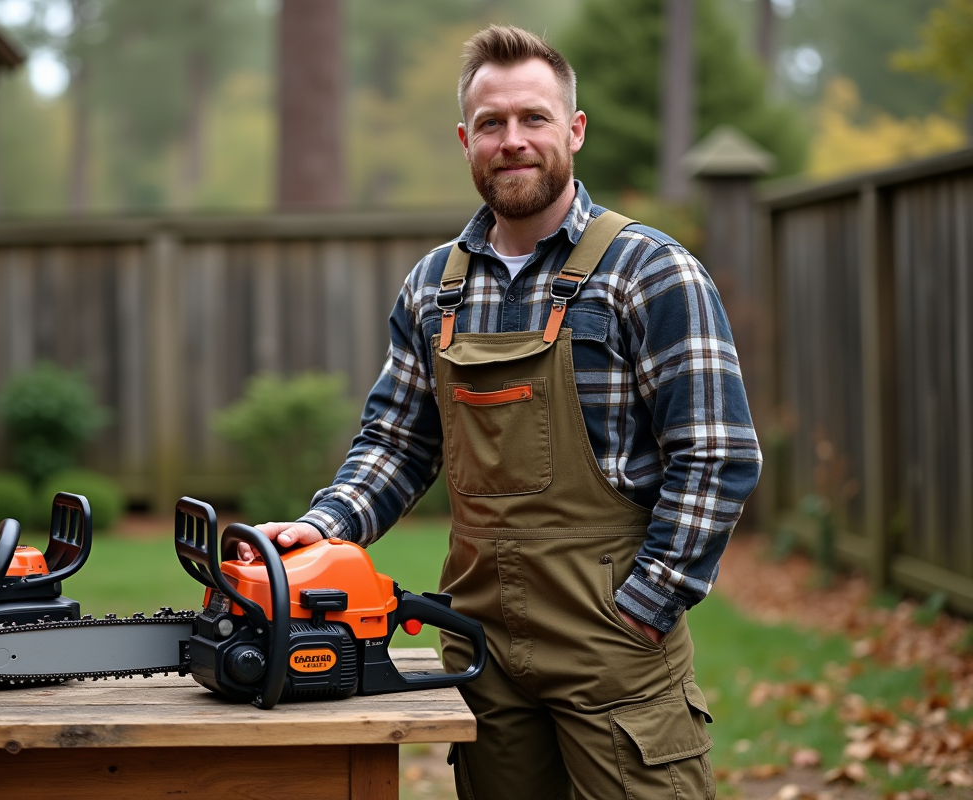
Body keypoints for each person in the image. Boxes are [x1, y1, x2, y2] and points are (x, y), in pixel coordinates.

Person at [244, 25, 761, 799]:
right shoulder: (434, 287)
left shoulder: (650, 272)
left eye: (534, 118)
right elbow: (397, 443)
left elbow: (717, 454)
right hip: (479, 641)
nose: (512, 141)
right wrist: (323, 529)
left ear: (574, 131)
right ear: (465, 140)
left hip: (614, 646)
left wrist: (649, 604)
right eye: (492, 123)